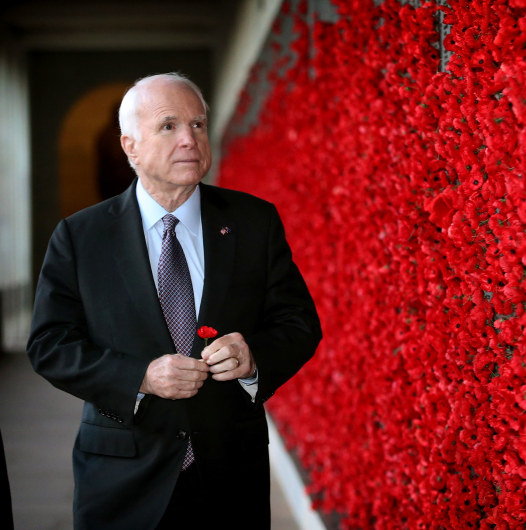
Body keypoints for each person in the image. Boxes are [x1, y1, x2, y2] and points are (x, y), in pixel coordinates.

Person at [27, 72, 321, 529]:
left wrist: (253, 357)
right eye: (169, 126)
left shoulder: (253, 221)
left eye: (198, 125)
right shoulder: (81, 236)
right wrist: (139, 377)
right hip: (122, 477)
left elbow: (298, 322)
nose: (189, 139)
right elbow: (49, 343)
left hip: (230, 475)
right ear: (130, 145)